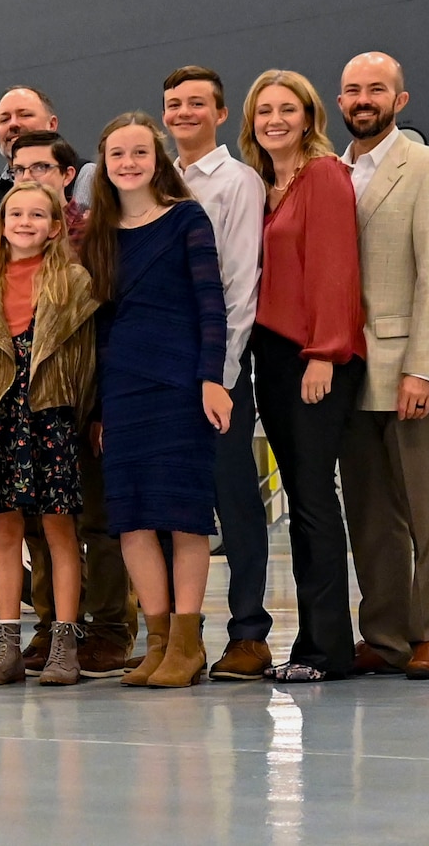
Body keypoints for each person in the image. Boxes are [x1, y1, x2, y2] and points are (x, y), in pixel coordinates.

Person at [80, 114, 231, 688]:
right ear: (104, 163)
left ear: (158, 157)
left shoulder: (187, 219)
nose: (128, 163)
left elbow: (211, 303)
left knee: (183, 516)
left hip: (178, 384)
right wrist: (98, 409)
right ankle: (160, 641)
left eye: (139, 152)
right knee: (133, 520)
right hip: (124, 387)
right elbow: (103, 326)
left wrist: (210, 378)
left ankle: (188, 645)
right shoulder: (102, 233)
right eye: (116, 154)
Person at [336, 52, 429, 681]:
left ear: (401, 99)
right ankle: (386, 635)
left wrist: (426, 369)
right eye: (353, 90)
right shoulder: (330, 174)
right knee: (368, 514)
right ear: (340, 103)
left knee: (427, 511)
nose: (364, 99)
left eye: (376, 90)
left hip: (406, 368)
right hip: (348, 370)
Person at [242, 68, 366, 683]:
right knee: (301, 498)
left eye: (287, 109)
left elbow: (334, 267)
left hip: (314, 355)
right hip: (272, 352)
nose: (275, 120)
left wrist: (324, 352)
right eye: (264, 111)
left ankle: (328, 651)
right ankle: (312, 642)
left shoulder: (322, 176)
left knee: (315, 499)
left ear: (310, 116)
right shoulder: (268, 185)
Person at [0, 182, 98, 687]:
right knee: (5, 531)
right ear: (0, 225)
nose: (24, 222)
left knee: (61, 530)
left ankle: (64, 642)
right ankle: (8, 646)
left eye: (36, 215)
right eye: (14, 214)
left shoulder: (73, 283)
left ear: (55, 227)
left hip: (51, 415)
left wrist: (79, 417)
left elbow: (86, 361)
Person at [162, 66, 271, 681]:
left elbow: (237, 284)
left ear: (221, 114)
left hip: (216, 369)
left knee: (233, 500)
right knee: (172, 506)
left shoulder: (237, 183)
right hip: (162, 367)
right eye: (174, 104)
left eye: (196, 104)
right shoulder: (158, 181)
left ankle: (249, 634)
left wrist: (220, 376)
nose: (183, 114)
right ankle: (179, 636)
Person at [10, 126, 131, 676]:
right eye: (19, 171)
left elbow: (111, 328)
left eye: (41, 168)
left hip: (85, 403)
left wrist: (104, 406)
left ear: (66, 176)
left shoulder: (97, 239)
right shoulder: (7, 248)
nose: (29, 179)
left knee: (99, 521)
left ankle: (109, 628)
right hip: (31, 410)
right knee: (38, 522)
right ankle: (54, 625)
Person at [0, 86, 97, 228]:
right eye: (4, 119)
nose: (13, 124)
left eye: (25, 115)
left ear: (52, 124)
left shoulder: (86, 176)